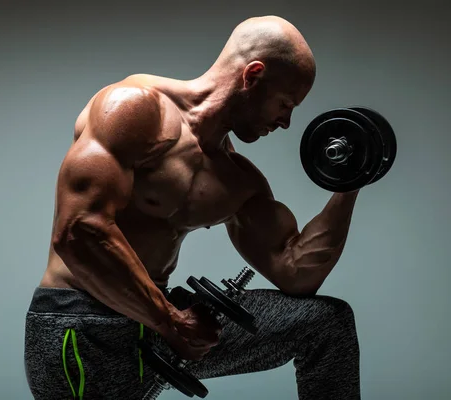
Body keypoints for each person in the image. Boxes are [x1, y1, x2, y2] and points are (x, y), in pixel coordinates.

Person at [24, 15, 360, 400]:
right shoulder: (135, 109)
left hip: (160, 322)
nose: (285, 122)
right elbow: (78, 231)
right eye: (285, 103)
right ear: (253, 75)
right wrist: (170, 321)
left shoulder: (237, 179)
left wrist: (350, 181)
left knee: (323, 324)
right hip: (82, 322)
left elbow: (296, 272)